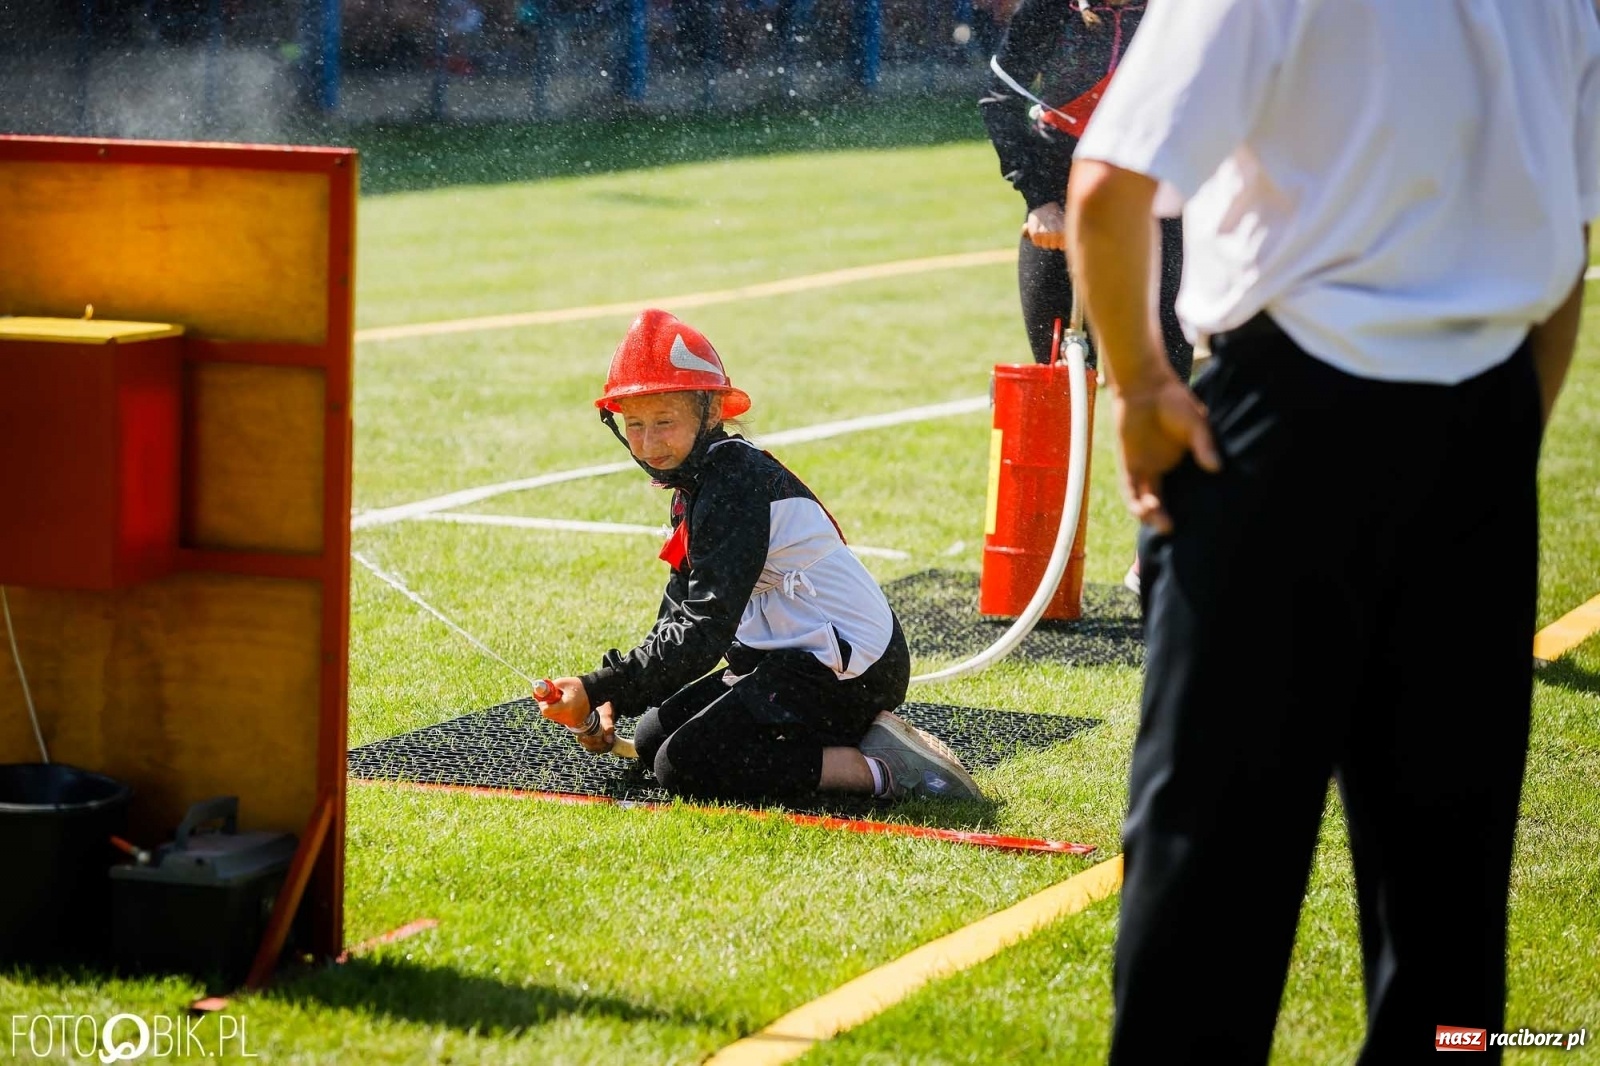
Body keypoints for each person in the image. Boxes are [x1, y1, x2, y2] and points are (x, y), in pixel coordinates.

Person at [1063, 1, 1598, 1061]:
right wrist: (1483, 451)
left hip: (1284, 427)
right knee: (1449, 886)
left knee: (1208, 857)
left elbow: (1107, 187)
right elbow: (1565, 246)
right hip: (1483, 424)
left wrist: (1138, 389)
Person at [537, 309, 983, 805]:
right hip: (788, 657)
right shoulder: (697, 480)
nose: (648, 442)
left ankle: (881, 768)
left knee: (683, 764)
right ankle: (843, 739)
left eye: (665, 421)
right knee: (649, 737)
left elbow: (704, 632)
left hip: (849, 669)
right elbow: (680, 609)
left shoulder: (733, 485)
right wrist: (615, 699)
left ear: (711, 413)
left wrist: (598, 686)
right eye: (635, 424)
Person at [978, 0, 1191, 594]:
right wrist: (1038, 199)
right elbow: (1000, 101)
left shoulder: (1184, 16)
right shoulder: (1050, 13)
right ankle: (1039, 562)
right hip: (1061, 210)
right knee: (1053, 385)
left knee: (1164, 374)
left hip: (1158, 213)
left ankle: (1159, 552)